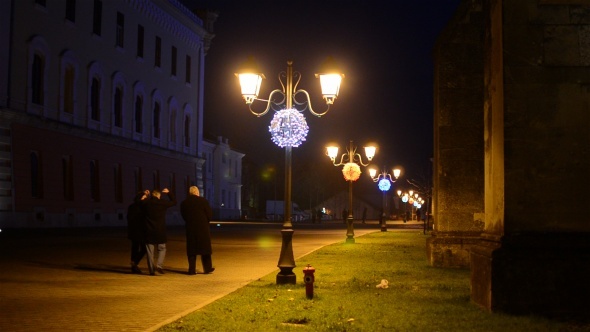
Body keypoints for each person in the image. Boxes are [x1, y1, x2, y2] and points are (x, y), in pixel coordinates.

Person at [180, 186, 214, 275]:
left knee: (191, 249)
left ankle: (191, 269)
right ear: (197, 192)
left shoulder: (184, 203)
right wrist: (206, 221)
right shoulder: (203, 201)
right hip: (203, 228)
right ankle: (208, 268)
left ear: (190, 193)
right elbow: (209, 214)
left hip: (190, 228)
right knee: (205, 249)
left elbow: (184, 215)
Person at [141, 188, 176, 275]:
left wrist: (144, 195)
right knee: (162, 249)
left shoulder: (147, 203)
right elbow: (174, 202)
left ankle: (151, 269)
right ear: (158, 195)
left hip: (149, 230)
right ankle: (159, 266)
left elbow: (138, 202)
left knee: (150, 251)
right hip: (160, 230)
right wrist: (169, 193)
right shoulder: (162, 203)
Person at [126, 190, 149, 274]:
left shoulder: (132, 206)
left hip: (133, 230)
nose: (145, 199)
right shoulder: (142, 207)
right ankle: (134, 263)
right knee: (144, 248)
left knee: (134, 248)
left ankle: (134, 264)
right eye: (144, 198)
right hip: (140, 230)